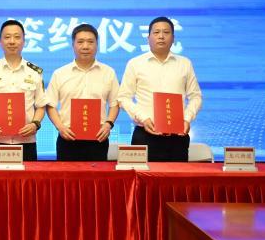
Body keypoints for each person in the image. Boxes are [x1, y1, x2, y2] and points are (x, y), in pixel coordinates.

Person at [117, 16, 202, 162]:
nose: (161, 36)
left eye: (166, 32)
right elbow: (123, 97)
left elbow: (196, 96)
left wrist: (187, 119)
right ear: (148, 38)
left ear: (173, 38)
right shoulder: (135, 64)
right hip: (145, 134)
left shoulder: (185, 63)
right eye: (156, 32)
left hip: (177, 136)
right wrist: (143, 118)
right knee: (141, 177)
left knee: (176, 176)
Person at [46, 23, 120, 161]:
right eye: (80, 42)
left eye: (90, 42)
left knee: (98, 175)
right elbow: (50, 105)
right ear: (73, 45)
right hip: (67, 138)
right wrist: (60, 127)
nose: (85, 46)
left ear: (97, 45)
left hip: (98, 138)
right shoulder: (60, 74)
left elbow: (115, 103)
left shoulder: (108, 72)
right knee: (66, 176)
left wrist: (108, 124)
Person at [0, 19, 46, 161]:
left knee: (28, 177)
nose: (12, 41)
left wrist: (35, 124)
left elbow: (40, 106)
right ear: (0, 42)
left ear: (24, 41)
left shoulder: (34, 72)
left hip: (26, 142)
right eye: (7, 37)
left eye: (17, 37)